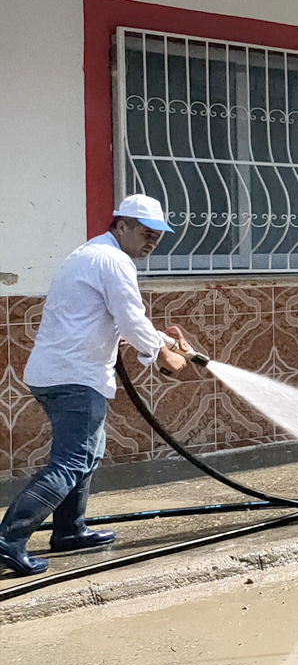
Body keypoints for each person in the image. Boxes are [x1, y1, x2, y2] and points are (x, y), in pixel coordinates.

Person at [0, 196, 199, 576]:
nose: (152, 242)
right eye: (145, 233)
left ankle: (69, 531)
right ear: (120, 226)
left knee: (87, 453)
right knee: (73, 460)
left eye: (157, 236)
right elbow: (130, 318)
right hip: (75, 376)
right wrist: (163, 355)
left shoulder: (91, 253)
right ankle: (8, 539)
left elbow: (117, 319)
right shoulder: (113, 261)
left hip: (60, 372)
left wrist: (161, 341)